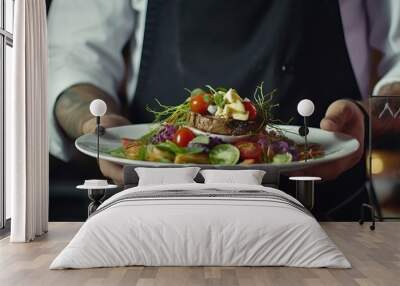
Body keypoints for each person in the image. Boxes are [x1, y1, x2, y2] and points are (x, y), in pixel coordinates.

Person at [48, 0, 400, 220]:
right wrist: (96, 124)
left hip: (325, 213)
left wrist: (370, 119)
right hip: (155, 212)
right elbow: (71, 58)